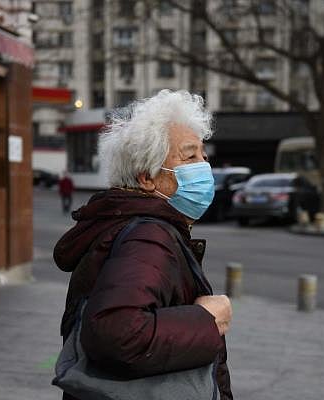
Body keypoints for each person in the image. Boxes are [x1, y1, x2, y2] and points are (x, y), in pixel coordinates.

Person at [53, 90, 233, 400]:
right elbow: (116, 333)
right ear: (147, 178)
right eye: (189, 156)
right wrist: (206, 321)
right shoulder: (148, 237)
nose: (204, 166)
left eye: (203, 155)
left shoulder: (139, 226)